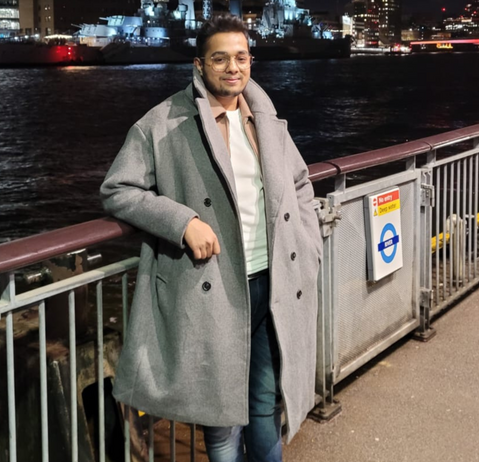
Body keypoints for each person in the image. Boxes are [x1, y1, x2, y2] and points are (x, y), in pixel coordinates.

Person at [100, 13, 322, 462]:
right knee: (221, 424)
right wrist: (182, 222)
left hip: (272, 281)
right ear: (199, 65)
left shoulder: (267, 121)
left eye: (241, 57)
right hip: (217, 289)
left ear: (251, 62)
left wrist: (309, 244)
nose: (232, 67)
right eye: (219, 58)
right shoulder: (162, 123)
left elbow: (300, 184)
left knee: (264, 408)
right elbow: (118, 190)